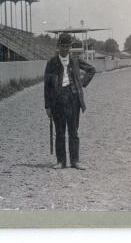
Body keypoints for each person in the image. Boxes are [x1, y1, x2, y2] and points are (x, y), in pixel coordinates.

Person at [43, 33, 96, 170]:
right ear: (58, 46)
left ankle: (75, 161)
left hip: (73, 99)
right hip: (57, 100)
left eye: (68, 46)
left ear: (70, 47)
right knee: (60, 132)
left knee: (73, 131)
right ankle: (61, 161)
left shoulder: (76, 60)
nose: (65, 49)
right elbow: (47, 86)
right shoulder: (52, 62)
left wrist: (81, 83)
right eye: (62, 46)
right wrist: (47, 106)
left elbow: (91, 70)